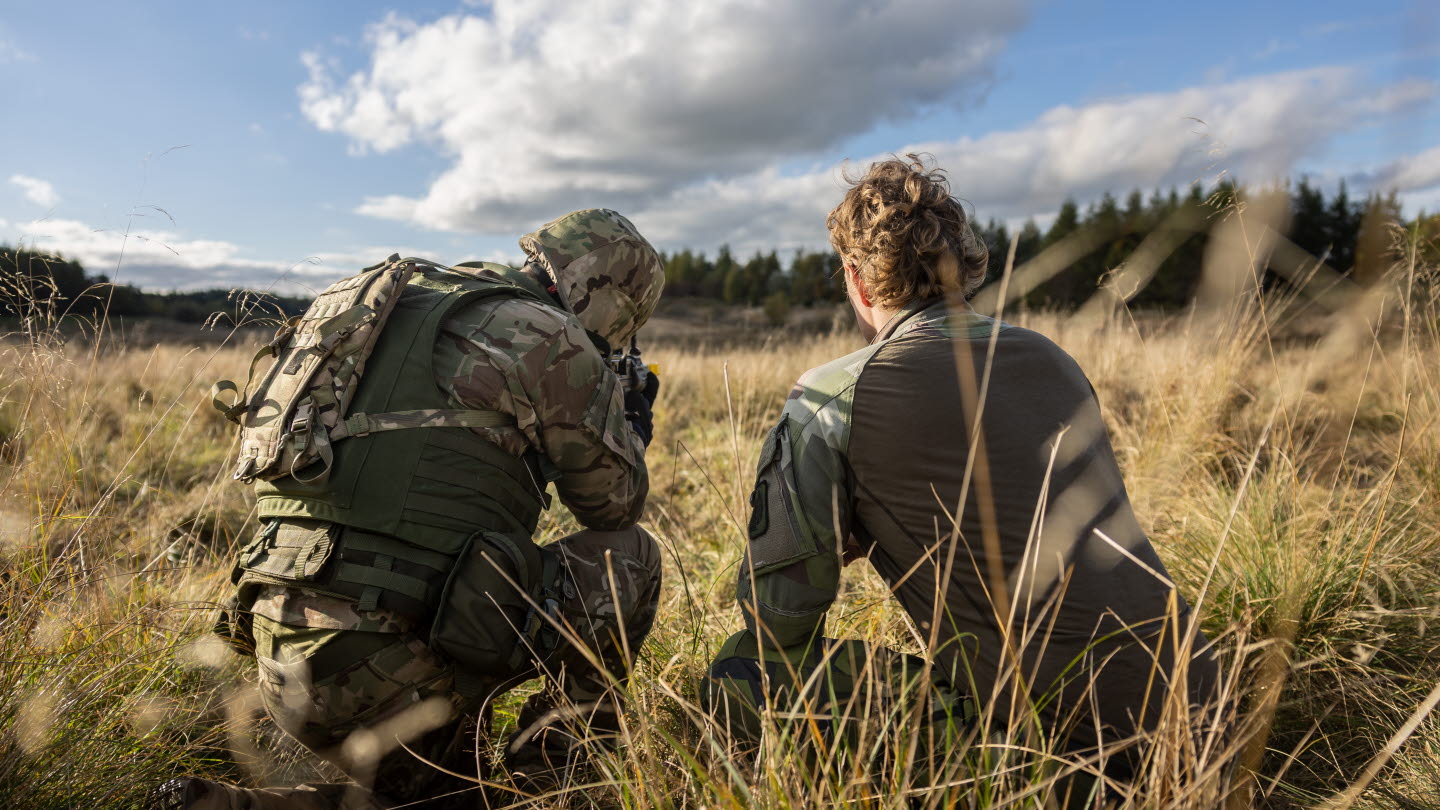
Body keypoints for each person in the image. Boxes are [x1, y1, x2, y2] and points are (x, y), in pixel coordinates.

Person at [704, 157, 1218, 802]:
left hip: (1052, 744)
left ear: (855, 278)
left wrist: (845, 533)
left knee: (742, 672)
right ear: (966, 266)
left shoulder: (835, 392)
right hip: (1199, 709)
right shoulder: (1054, 360)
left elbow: (776, 617)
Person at [155, 209, 666, 809]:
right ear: (609, 298)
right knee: (630, 561)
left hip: (270, 636)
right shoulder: (551, 337)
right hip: (391, 654)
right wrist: (628, 422)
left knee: (418, 792)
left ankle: (227, 805)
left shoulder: (384, 305)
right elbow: (614, 508)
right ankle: (550, 778)